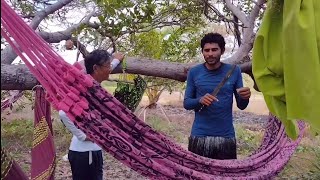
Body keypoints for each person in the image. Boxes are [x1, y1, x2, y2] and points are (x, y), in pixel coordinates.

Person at [183, 33, 251, 160]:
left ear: (222, 51)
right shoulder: (194, 72)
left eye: (214, 50)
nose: (210, 54)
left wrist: (245, 97)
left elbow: (242, 106)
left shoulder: (234, 71)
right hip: (199, 136)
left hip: (225, 137)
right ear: (202, 51)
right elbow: (187, 104)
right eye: (206, 50)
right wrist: (200, 100)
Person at [59, 49, 124, 180]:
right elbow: (63, 113)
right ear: (96, 68)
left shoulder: (93, 85)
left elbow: (106, 69)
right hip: (84, 154)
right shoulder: (86, 89)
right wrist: (84, 136)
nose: (110, 69)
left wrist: (116, 60)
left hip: (93, 151)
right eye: (108, 65)